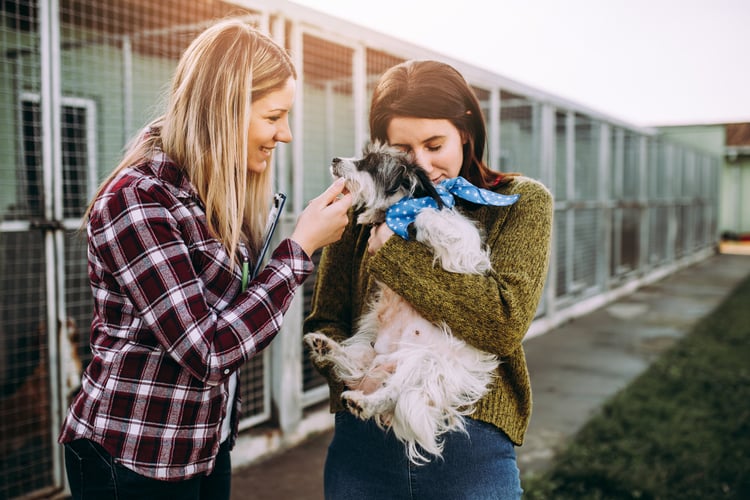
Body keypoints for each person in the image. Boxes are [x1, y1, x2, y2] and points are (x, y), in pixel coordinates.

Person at [58, 19, 352, 499]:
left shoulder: (211, 192)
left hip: (203, 444)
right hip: (135, 453)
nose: (287, 134)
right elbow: (207, 350)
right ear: (227, 109)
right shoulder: (139, 199)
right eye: (274, 116)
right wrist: (299, 250)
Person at [304, 59, 553, 499]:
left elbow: (502, 322)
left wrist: (394, 254)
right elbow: (324, 321)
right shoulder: (361, 209)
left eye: (435, 144)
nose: (423, 164)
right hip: (364, 446)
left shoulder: (518, 203)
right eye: (402, 150)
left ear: (466, 130)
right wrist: (357, 380)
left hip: (469, 446)